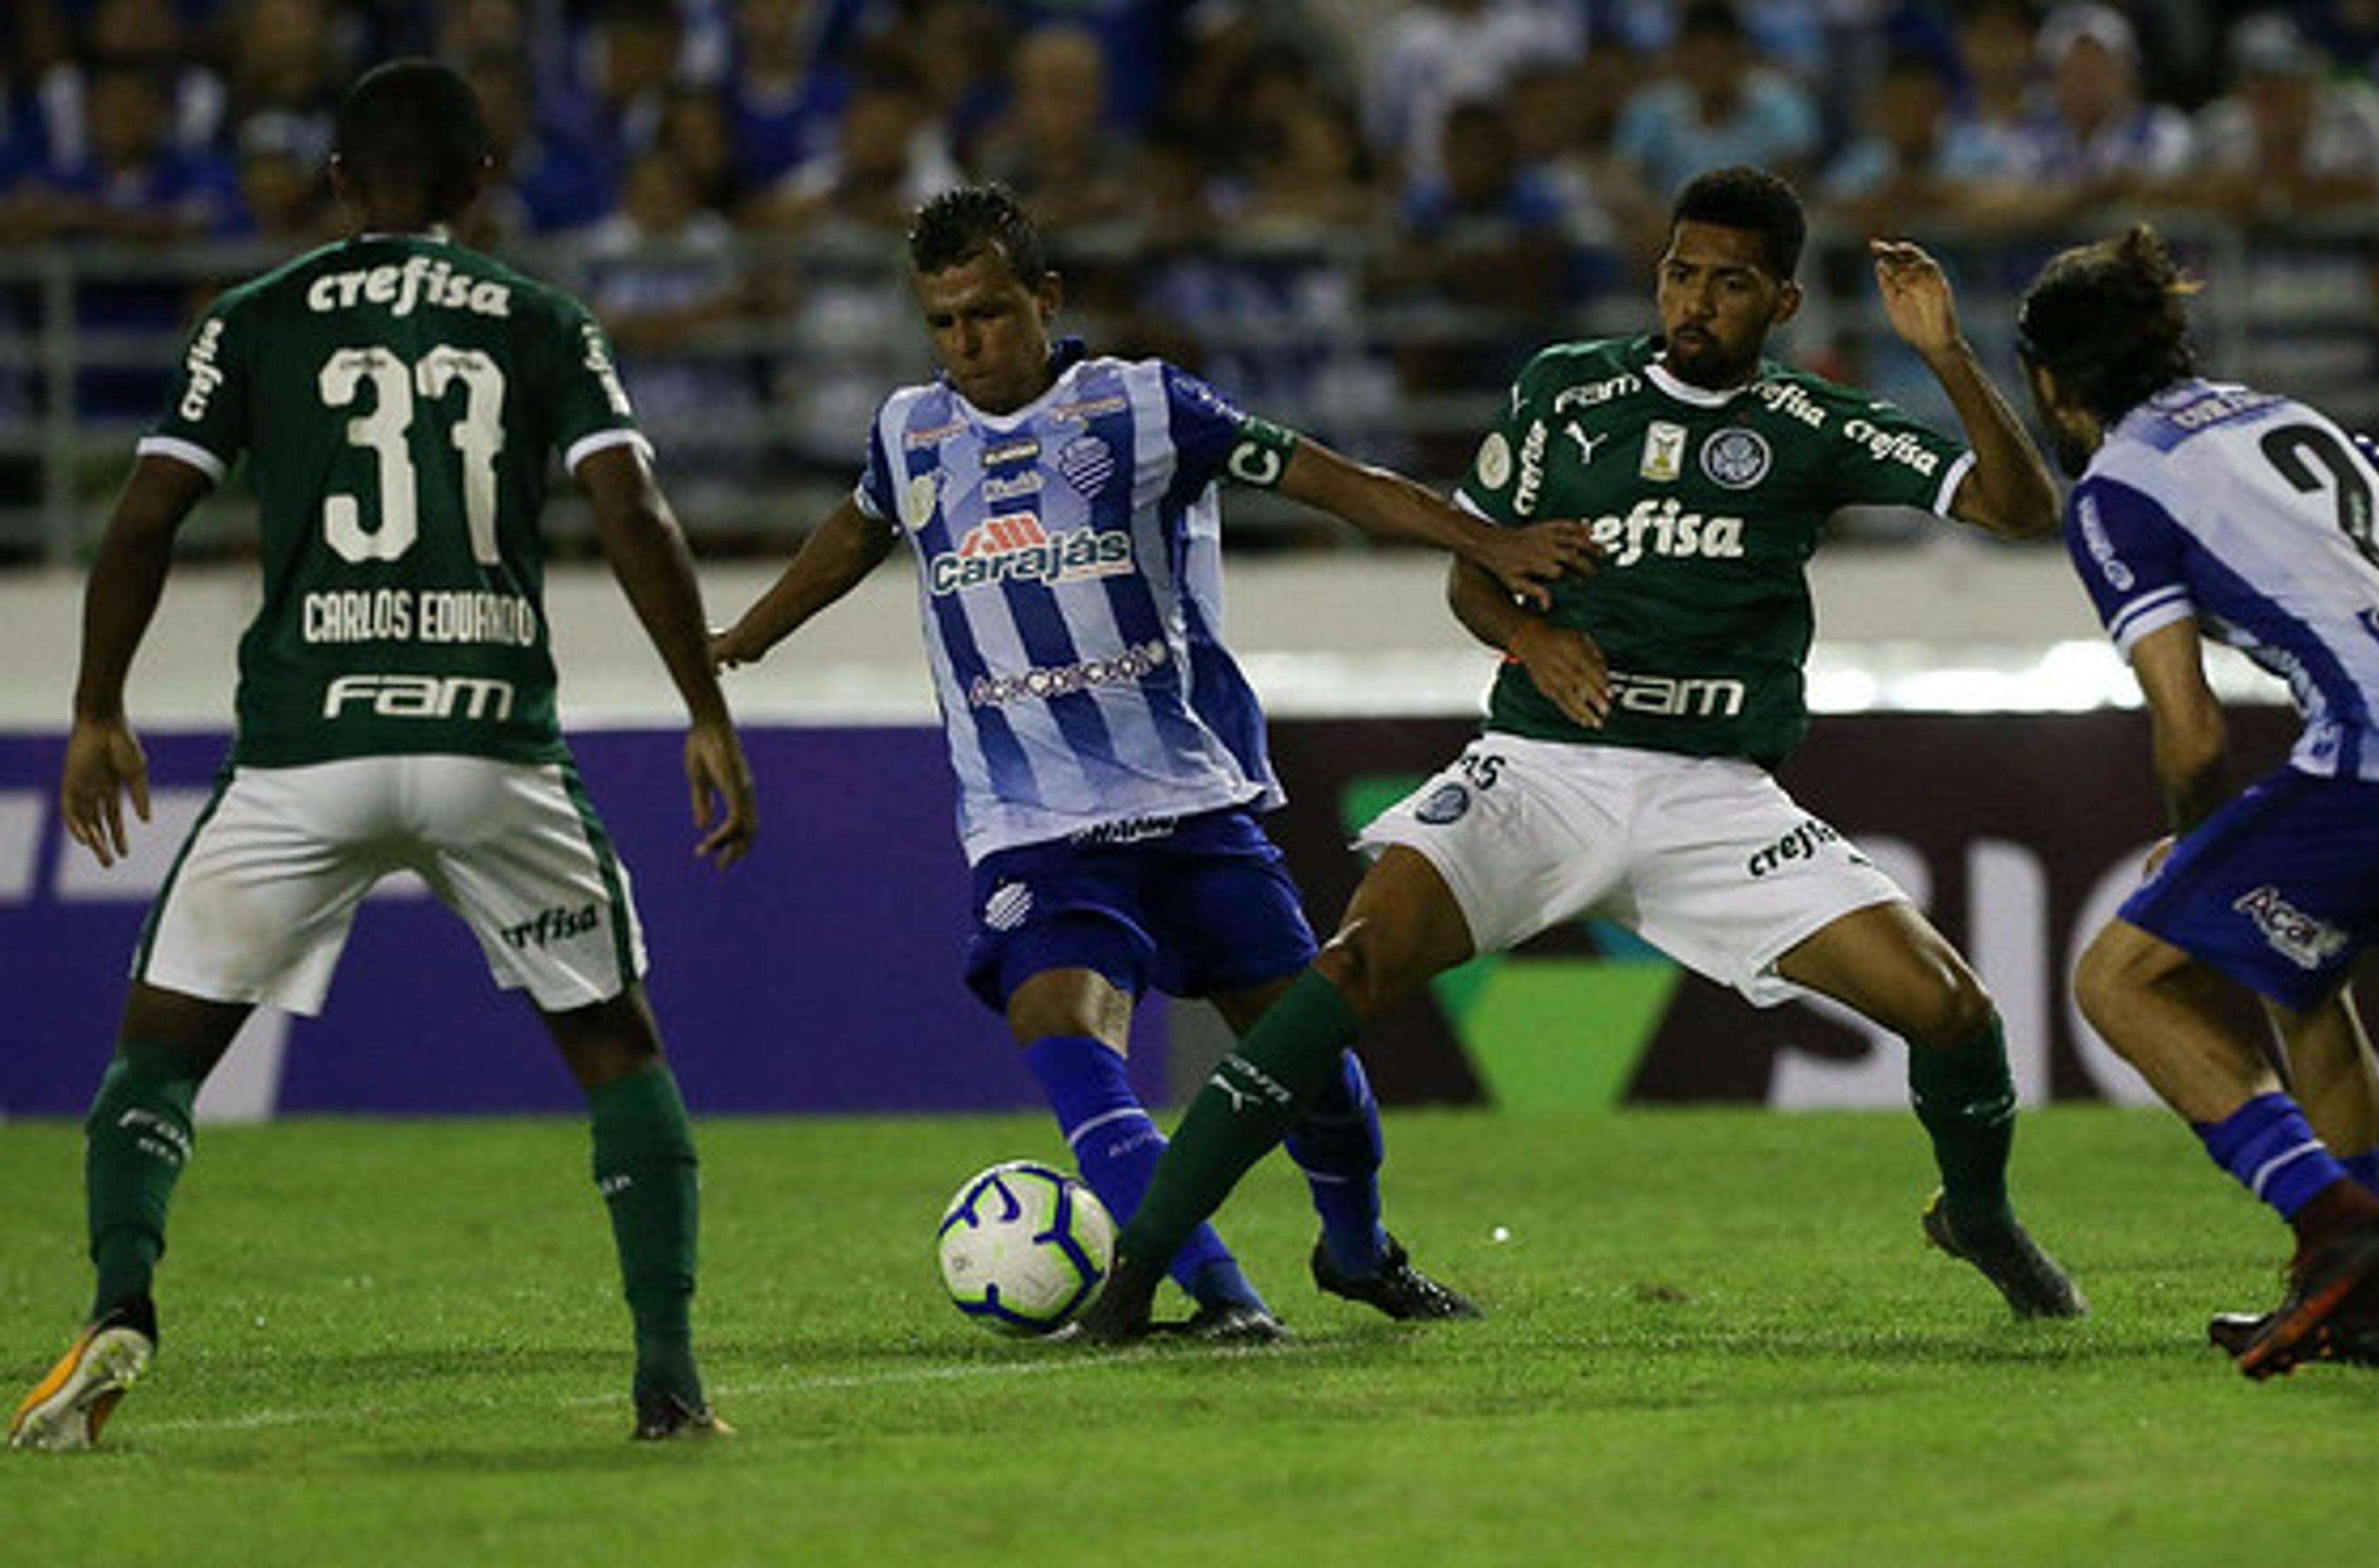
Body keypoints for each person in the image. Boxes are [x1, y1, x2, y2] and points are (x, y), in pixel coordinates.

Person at [1075, 165, 2085, 1342]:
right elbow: (1472, 569)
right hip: (1543, 767)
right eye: (1680, 274)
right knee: (1347, 967)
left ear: (1783, 306)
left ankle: (1980, 1217)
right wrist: (1530, 634)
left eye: (1730, 285)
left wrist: (1949, 356)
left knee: (1951, 1007)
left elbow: (2023, 512)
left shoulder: (1814, 424)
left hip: (1712, 795)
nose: (1697, 302)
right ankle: (1137, 1276)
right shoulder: (1567, 391)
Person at [7, 59, 757, 1451]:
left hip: (307, 747)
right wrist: (704, 709)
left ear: (337, 185)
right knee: (616, 1047)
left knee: (155, 1060)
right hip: (487, 744)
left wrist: (98, 703)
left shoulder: (255, 318)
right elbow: (634, 507)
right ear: (483, 181)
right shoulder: (542, 317)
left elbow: (144, 516)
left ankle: (122, 1299)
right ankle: (669, 1375)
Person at [710, 184, 1596, 1340]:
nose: (967, 343)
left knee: (1313, 1066)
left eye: (987, 312)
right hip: (1033, 825)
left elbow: (1334, 478)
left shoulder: (1143, 406)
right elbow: (855, 529)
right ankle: (1224, 1298)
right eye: (943, 321)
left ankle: (1360, 1252)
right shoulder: (909, 431)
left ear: (1047, 298)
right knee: (1067, 1040)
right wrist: (748, 635)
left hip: (1190, 802)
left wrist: (1490, 540)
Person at [2014, 225, 2379, 1379]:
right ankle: (2362, 1307)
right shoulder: (2289, 417)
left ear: (2048, 381)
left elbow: (2189, 731)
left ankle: (2333, 1220)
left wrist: (2196, 859)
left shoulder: (2118, 490)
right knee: (2302, 980)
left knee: (2118, 979)